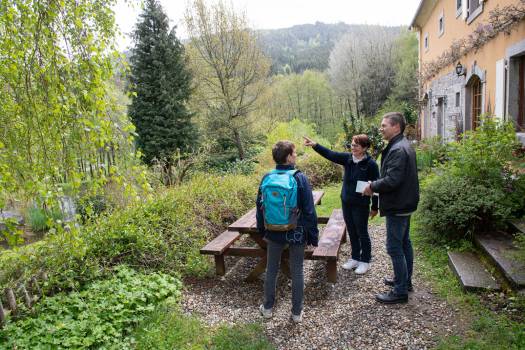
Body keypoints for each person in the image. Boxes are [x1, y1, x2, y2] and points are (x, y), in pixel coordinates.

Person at [256, 140, 319, 323]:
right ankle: (296, 313)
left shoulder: (267, 177)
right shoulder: (299, 178)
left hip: (273, 231)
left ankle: (267, 308)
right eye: (295, 153)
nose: (296, 155)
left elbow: (259, 207)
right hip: (296, 231)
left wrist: (263, 230)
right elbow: (309, 210)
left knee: (272, 268)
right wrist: (313, 235)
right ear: (289, 157)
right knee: (297, 270)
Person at [363, 112, 419, 304]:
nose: (381, 128)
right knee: (404, 243)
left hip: (398, 204)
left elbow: (392, 180)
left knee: (395, 247)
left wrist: (372, 186)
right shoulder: (401, 145)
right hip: (405, 203)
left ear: (396, 127)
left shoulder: (398, 149)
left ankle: (400, 291)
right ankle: (404, 280)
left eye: (384, 125)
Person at [303, 134, 379, 274]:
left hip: (361, 204)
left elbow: (376, 188)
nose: (353, 147)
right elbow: (330, 154)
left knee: (362, 232)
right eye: (352, 144)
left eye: (356, 145)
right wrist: (315, 145)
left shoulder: (371, 165)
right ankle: (355, 257)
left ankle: (365, 261)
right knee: (351, 230)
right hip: (346, 202)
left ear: (365, 148)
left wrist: (375, 207)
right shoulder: (348, 159)